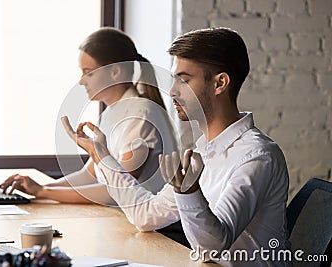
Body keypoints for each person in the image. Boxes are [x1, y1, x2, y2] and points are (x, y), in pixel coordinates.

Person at [62, 27, 291, 266]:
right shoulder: (202, 151)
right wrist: (102, 155)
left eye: (183, 80)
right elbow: (145, 216)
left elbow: (213, 248)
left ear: (220, 83)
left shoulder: (257, 156)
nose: (172, 91)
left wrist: (188, 193)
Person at [0, 27, 176, 205]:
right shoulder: (111, 113)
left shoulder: (140, 115)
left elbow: (119, 190)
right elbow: (89, 176)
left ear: (115, 72)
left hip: (153, 229)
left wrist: (44, 192)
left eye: (88, 72)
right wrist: (36, 190)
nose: (82, 80)